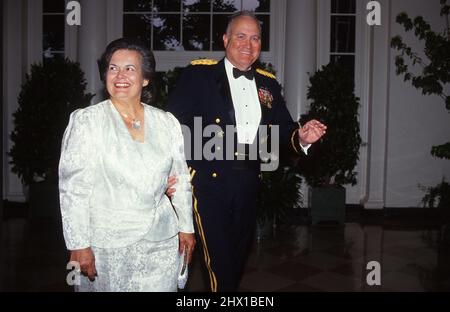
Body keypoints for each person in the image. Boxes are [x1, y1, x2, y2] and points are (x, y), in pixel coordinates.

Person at [167, 11, 327, 292]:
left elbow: (282, 130)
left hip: (248, 185)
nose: (248, 44)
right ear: (226, 39)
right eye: (240, 36)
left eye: (255, 38)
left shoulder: (268, 84)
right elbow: (168, 125)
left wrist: (301, 137)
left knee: (236, 261)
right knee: (218, 265)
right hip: (208, 184)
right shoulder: (198, 75)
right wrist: (168, 172)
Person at [59, 38, 195, 292]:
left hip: (161, 239)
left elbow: (181, 179)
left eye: (130, 68)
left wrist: (187, 227)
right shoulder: (87, 121)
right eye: (113, 68)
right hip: (108, 244)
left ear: (145, 78)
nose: (120, 75)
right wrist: (78, 244)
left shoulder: (167, 123)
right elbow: (74, 190)